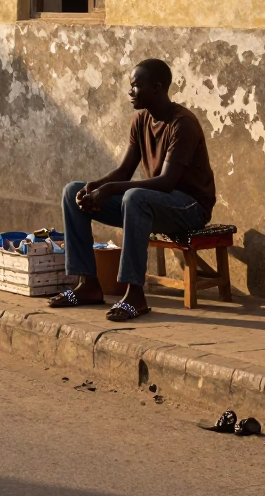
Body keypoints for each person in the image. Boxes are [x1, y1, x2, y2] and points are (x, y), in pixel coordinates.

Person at [49, 58, 216, 322]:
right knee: (73, 192)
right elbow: (124, 171)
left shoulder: (182, 124)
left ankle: (134, 295)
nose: (130, 92)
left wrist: (111, 189)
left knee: (134, 197)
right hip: (155, 204)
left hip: (190, 207)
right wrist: (97, 186)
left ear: (157, 88)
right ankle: (88, 285)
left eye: (136, 86)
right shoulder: (140, 121)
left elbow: (166, 182)